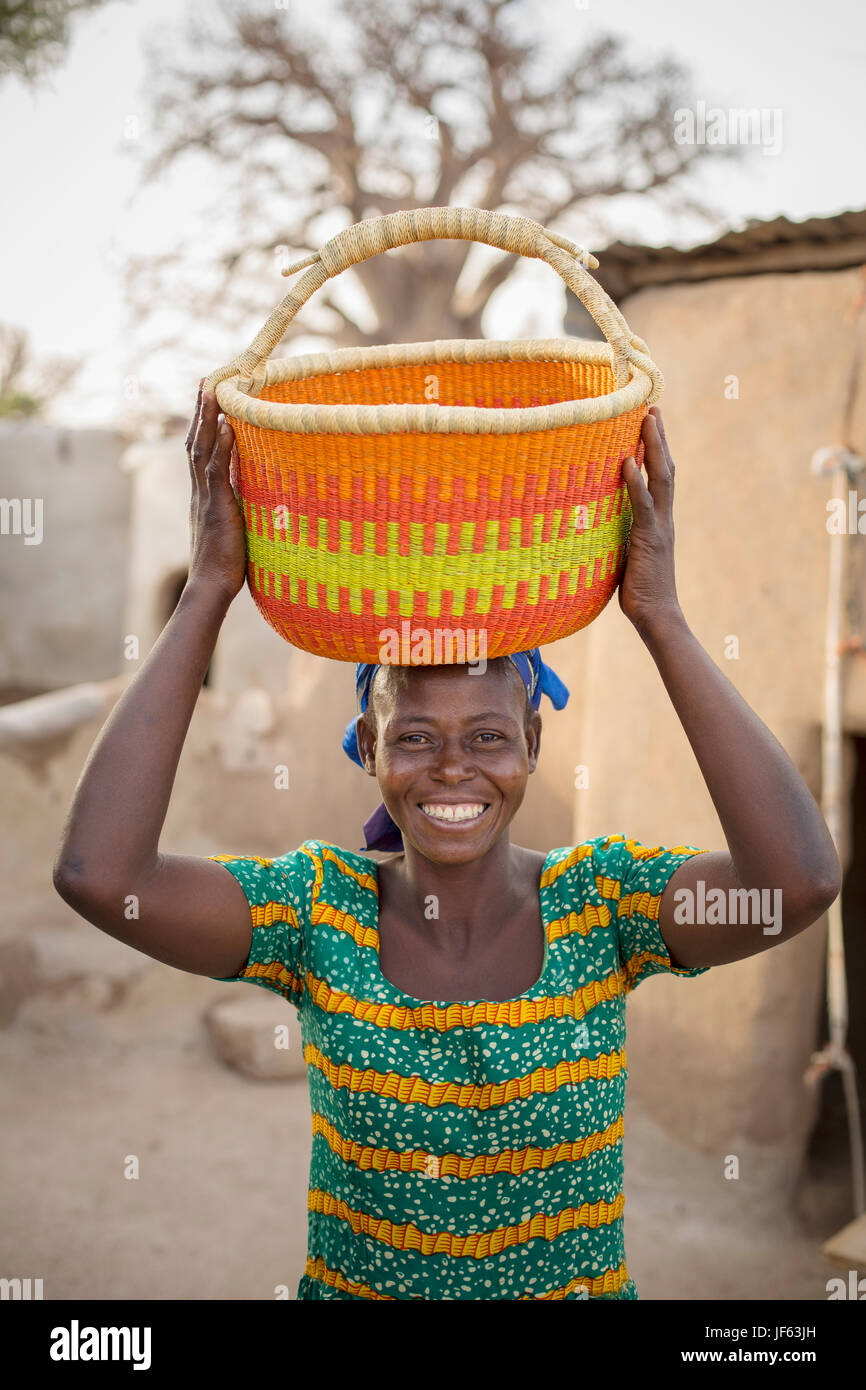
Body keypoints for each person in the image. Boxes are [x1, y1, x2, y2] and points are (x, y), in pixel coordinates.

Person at [53, 386, 842, 1301]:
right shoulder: (317, 914)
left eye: (489, 736)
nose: (453, 769)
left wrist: (659, 614)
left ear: (533, 745)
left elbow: (795, 883)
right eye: (415, 737)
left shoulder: (603, 904)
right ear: (371, 752)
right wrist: (206, 592)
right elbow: (100, 876)